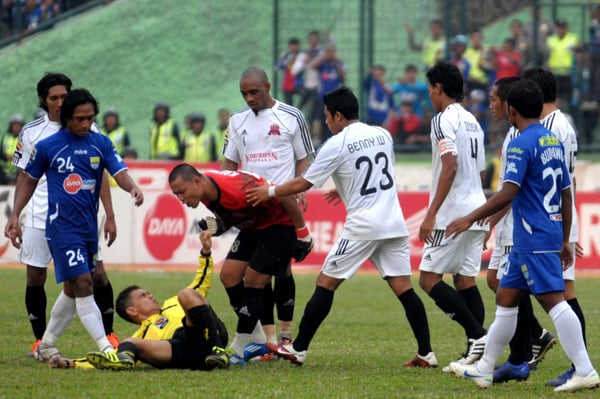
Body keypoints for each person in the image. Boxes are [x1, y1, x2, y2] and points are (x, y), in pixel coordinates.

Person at [246, 86, 437, 368]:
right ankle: (426, 353)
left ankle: (298, 349)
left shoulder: (337, 144)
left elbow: (304, 183)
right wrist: (343, 187)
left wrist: (270, 192)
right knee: (403, 287)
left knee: (325, 282)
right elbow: (374, 173)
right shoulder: (382, 133)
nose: (325, 122)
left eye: (326, 116)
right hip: (394, 223)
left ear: (337, 115)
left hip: (363, 226)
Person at [446, 79, 599, 393]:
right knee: (505, 296)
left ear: (512, 110)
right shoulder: (551, 140)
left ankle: (584, 370)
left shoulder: (520, 143)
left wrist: (470, 218)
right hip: (543, 233)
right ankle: (486, 368)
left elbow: (508, 192)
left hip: (532, 235)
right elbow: (567, 193)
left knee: (554, 302)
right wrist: (565, 236)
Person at [5, 88, 144, 361]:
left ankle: (47, 343)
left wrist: (132, 188)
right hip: (61, 228)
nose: (85, 124)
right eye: (80, 119)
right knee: (83, 283)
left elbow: (118, 170)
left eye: (90, 118)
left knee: (72, 290)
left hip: (87, 229)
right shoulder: (48, 147)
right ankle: (106, 347)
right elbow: (29, 181)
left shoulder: (100, 143)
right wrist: (15, 215)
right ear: (67, 118)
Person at [168, 164, 313, 366]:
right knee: (228, 276)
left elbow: (285, 196)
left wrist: (303, 233)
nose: (181, 199)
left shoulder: (237, 188)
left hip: (279, 225)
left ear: (197, 181)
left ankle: (237, 349)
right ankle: (258, 340)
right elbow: (234, 215)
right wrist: (218, 227)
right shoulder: (207, 193)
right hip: (254, 227)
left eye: (182, 192)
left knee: (254, 279)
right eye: (177, 195)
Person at [221, 66, 314, 361]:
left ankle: (283, 339)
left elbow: (304, 159)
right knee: (233, 276)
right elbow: (228, 166)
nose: (249, 98)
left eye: (254, 92)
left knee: (278, 271)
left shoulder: (291, 116)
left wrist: (298, 189)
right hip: (250, 210)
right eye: (244, 94)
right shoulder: (237, 121)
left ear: (268, 86)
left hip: (281, 205)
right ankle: (265, 339)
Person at [51, 231, 230, 370]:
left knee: (187, 293)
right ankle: (123, 364)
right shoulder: (143, 334)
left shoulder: (174, 302)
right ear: (132, 311)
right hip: (183, 351)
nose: (151, 296)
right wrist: (72, 363)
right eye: (143, 296)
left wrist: (205, 253)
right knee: (129, 345)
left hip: (205, 334)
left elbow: (201, 283)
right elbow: (110, 354)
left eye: (148, 293)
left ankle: (217, 351)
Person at [484, 76, 556, 385]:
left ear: (509, 105)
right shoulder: (516, 135)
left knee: (550, 297)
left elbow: (511, 191)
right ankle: (516, 352)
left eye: (494, 99)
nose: (491, 105)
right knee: (500, 284)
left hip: (525, 226)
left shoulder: (524, 138)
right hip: (516, 222)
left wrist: (480, 216)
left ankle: (523, 351)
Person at [418, 62, 488, 372]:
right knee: (464, 280)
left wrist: (430, 214)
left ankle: (477, 336)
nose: (430, 95)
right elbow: (481, 170)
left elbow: (450, 165)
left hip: (452, 214)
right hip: (476, 208)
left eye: (430, 89)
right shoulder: (474, 121)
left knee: (428, 279)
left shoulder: (442, 120)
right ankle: (476, 352)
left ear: (437, 88)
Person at [522, 67, 589, 388]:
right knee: (552, 292)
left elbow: (557, 180)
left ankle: (581, 366)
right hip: (561, 215)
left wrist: (564, 229)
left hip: (551, 218)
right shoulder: (565, 124)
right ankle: (578, 364)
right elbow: (569, 180)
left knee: (560, 295)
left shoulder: (548, 127)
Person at [546, 18, 580, 112]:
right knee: (556, 99)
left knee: (570, 99)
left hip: (569, 73)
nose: (561, 30)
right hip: (555, 73)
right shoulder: (550, 40)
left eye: (563, 27)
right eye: (559, 27)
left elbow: (579, 48)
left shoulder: (573, 38)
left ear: (566, 28)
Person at [275, 37, 302, 107]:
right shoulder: (285, 55)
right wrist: (287, 62)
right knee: (289, 105)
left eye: (296, 45)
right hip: (287, 84)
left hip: (298, 84)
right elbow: (276, 67)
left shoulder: (302, 55)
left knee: (305, 97)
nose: (294, 47)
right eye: (292, 45)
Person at [1, 113, 24, 184]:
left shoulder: (24, 137)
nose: (16, 127)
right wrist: (7, 156)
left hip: (18, 170)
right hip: (3, 170)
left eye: (18, 125)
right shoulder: (6, 136)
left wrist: (16, 157)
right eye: (14, 125)